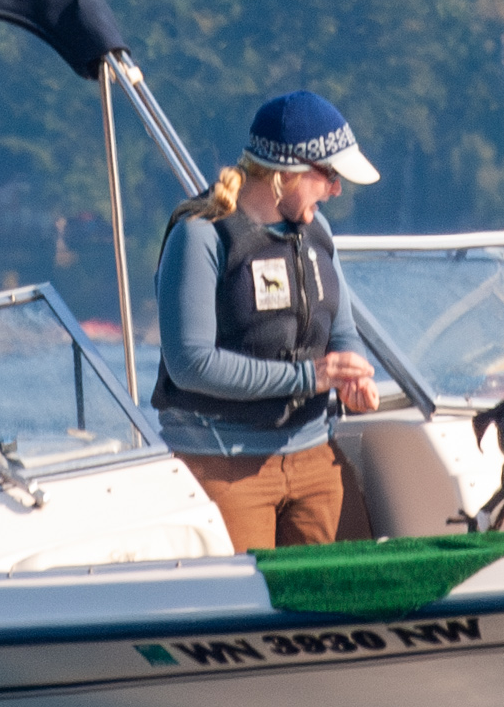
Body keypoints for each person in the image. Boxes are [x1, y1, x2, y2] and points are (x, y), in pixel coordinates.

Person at [152, 90, 381, 551]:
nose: (337, 189)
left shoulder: (318, 231)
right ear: (285, 174)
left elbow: (342, 331)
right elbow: (191, 364)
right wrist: (309, 377)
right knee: (245, 606)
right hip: (223, 463)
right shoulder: (199, 236)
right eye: (330, 175)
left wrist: (351, 373)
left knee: (348, 597)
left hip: (315, 456)